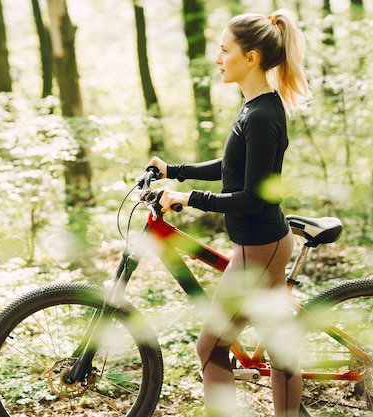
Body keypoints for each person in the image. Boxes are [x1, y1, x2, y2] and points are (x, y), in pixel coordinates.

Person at [146, 10, 311, 417]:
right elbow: (230, 167)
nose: (218, 58)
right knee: (278, 349)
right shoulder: (254, 106)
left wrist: (187, 199)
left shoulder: (262, 115)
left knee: (211, 347)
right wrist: (175, 171)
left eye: (224, 49)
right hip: (258, 243)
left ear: (250, 58)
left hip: (261, 247)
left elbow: (250, 197)